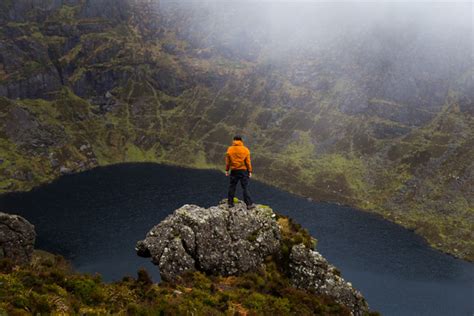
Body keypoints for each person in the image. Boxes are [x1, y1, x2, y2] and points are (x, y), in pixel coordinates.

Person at [225, 135, 255, 209]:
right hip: (243, 171)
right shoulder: (245, 149)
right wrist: (250, 171)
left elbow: (228, 162)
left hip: (234, 171)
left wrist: (227, 170)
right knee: (245, 187)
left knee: (232, 186)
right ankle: (249, 204)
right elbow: (248, 162)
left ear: (234, 140)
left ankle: (230, 203)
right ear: (241, 141)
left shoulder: (230, 149)